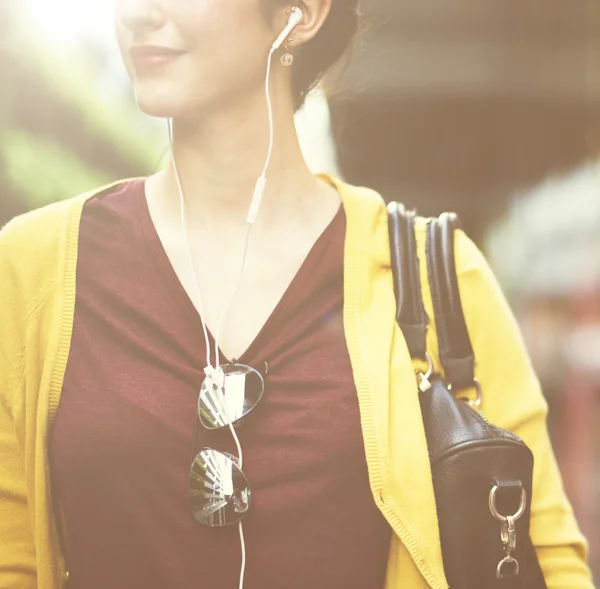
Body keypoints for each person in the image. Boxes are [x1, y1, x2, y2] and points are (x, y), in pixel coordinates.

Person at [0, 1, 594, 588]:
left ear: (300, 13)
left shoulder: (436, 278)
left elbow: (541, 555)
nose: (138, 13)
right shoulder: (33, 268)